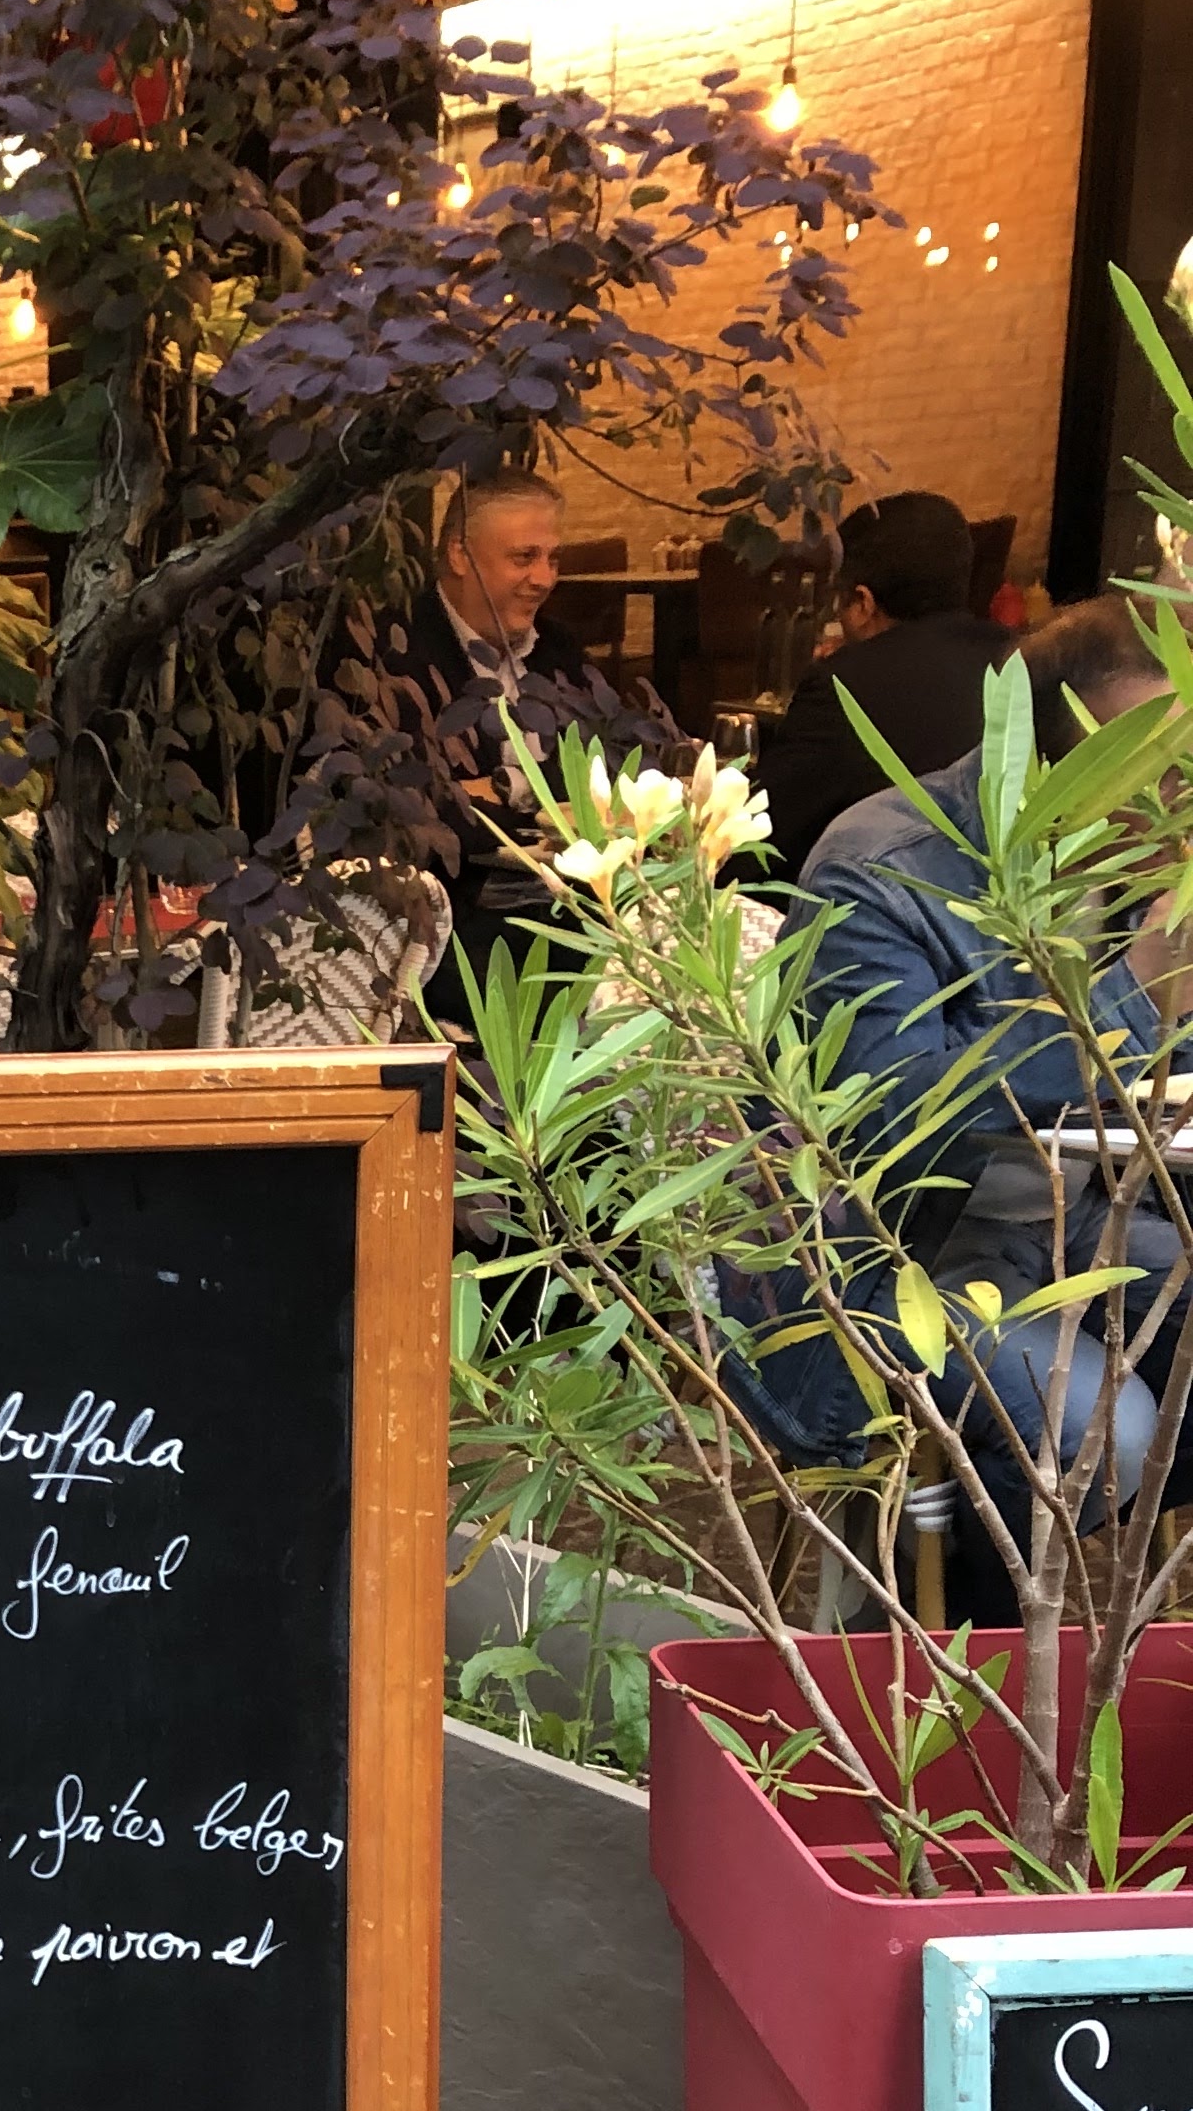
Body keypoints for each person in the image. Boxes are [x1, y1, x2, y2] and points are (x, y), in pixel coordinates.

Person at [729, 595, 1180, 1583]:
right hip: (887, 1255)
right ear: (1048, 754)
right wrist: (1136, 993)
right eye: (1148, 766)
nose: (1171, 799)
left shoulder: (1139, 867)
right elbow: (895, 1122)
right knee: (1104, 1428)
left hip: (1073, 1228)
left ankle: (1098, 1641)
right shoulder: (880, 869)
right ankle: (967, 1637)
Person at [384, 464, 676, 1006]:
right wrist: (542, 797)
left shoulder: (558, 650)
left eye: (552, 558)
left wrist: (496, 788)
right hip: (461, 926)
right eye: (524, 557)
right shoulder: (398, 655)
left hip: (580, 901)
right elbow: (421, 815)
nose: (544, 579)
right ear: (460, 555)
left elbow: (613, 769)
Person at [754, 489, 1011, 876]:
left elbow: (759, 841)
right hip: (1014, 906)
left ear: (862, 602)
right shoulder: (1025, 663)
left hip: (883, 905)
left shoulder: (843, 687)